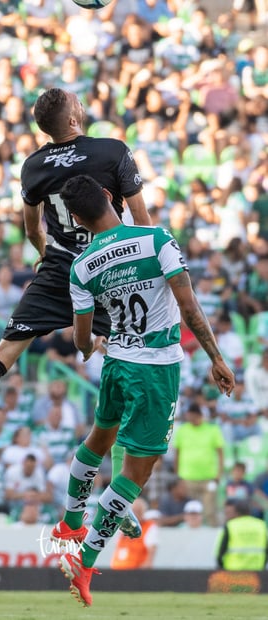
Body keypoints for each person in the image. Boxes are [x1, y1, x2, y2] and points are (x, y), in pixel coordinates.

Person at [0, 87, 149, 489]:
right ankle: (118, 490)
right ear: (74, 119)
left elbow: (31, 229)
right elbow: (141, 224)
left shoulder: (33, 165)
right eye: (79, 102)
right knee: (121, 371)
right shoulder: (113, 151)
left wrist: (45, 254)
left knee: (1, 357)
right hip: (111, 268)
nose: (83, 105)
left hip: (59, 271)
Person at [48, 174, 234, 607]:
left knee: (98, 437)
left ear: (76, 218)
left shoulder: (82, 265)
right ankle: (85, 561)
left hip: (116, 362)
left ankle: (71, 520)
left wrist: (91, 343)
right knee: (137, 474)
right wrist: (216, 357)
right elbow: (188, 307)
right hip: (155, 369)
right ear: (110, 198)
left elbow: (79, 340)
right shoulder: (156, 239)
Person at [215, 499, 268, 571]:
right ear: (250, 511)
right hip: (256, 573)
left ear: (236, 512)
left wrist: (222, 568)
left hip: (234, 573)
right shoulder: (261, 525)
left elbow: (220, 552)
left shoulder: (230, 525)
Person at [110, 497, 160, 569]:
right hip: (117, 569)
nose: (136, 514)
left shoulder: (149, 527)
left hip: (136, 572)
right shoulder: (124, 525)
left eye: (139, 511)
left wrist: (146, 567)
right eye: (134, 511)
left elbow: (152, 549)